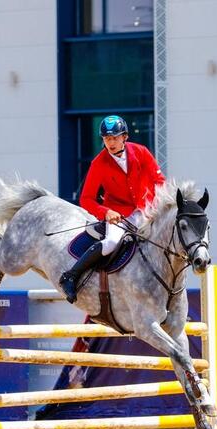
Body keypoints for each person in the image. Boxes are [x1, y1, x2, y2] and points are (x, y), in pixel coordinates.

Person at [59, 115, 166, 303]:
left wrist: (156, 207)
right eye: (107, 139)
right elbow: (86, 199)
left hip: (145, 210)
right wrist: (106, 212)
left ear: (124, 137)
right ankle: (71, 276)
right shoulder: (98, 163)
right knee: (110, 243)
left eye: (115, 137)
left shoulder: (141, 152)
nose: (111, 142)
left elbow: (160, 182)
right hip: (119, 214)